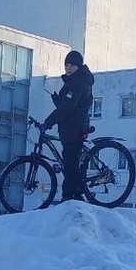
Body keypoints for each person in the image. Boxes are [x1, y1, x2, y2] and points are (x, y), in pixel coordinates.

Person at [43, 50, 95, 202]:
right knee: (70, 162)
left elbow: (67, 109)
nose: (68, 68)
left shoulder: (78, 83)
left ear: (79, 66)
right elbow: (69, 105)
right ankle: (75, 193)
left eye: (72, 65)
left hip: (74, 128)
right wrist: (58, 101)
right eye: (66, 64)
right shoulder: (75, 82)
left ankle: (69, 196)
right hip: (71, 128)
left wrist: (47, 123)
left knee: (70, 163)